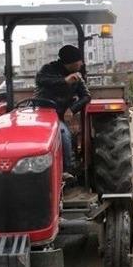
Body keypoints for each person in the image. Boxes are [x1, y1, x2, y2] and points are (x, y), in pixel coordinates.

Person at [35, 44, 91, 179]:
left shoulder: (77, 77)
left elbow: (86, 96)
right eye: (79, 60)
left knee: (63, 134)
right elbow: (41, 80)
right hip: (43, 113)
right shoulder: (48, 69)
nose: (82, 63)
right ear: (71, 62)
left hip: (59, 115)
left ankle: (66, 170)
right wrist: (64, 81)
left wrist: (72, 109)